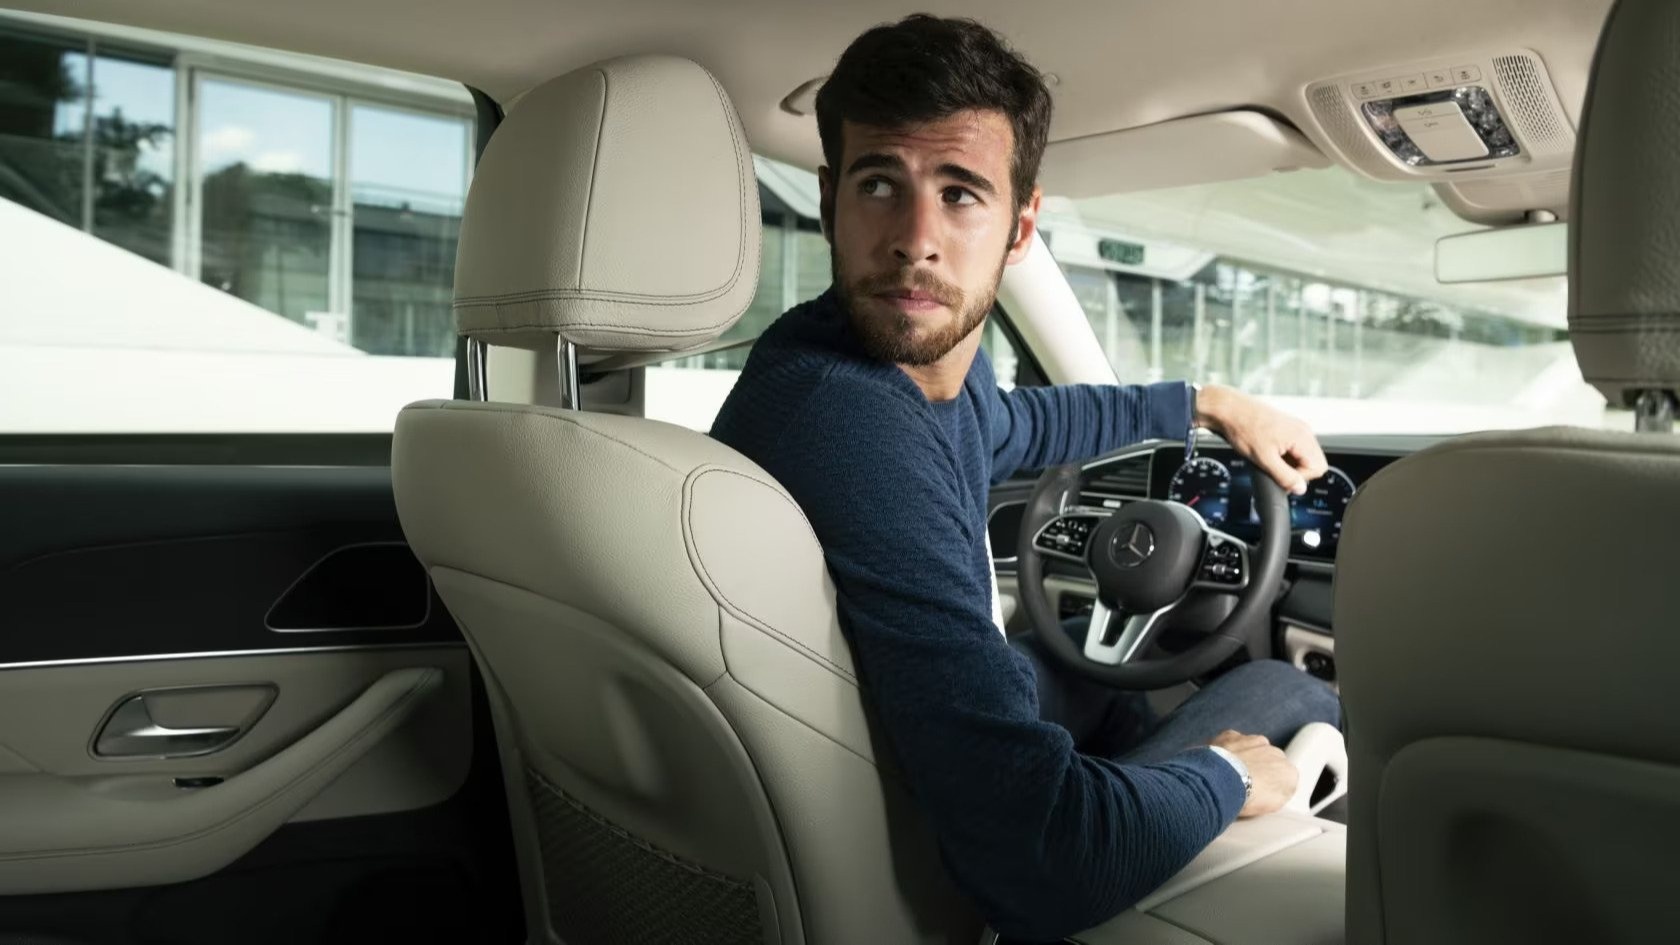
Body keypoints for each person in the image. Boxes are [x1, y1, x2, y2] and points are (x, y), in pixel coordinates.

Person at [711, 14, 1340, 942]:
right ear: (830, 198)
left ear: (1021, 227)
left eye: (960, 193)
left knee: (1096, 674)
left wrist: (1208, 404)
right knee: (1298, 696)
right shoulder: (847, 421)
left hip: (872, 758)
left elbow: (1022, 423)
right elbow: (1042, 854)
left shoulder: (888, 366)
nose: (915, 239)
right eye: (880, 183)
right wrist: (1229, 774)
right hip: (941, 856)